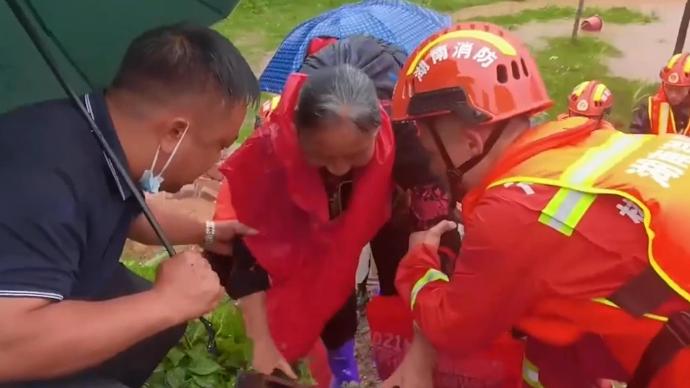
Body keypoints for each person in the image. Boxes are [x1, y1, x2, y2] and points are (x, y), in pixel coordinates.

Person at [387, 22, 690, 388]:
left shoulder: (514, 209)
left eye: (427, 136)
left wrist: (418, 264)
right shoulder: (586, 142)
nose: (421, 144)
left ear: (470, 142)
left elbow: (456, 327)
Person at [0, 24, 259, 387]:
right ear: (174, 133)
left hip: (60, 287)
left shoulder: (102, 132)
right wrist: (166, 302)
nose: (222, 160)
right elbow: (7, 348)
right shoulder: (43, 179)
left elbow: (131, 210)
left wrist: (209, 232)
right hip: (14, 338)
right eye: (219, 144)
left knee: (146, 319)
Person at [212, 36, 461, 387]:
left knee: (400, 269)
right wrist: (262, 342)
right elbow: (243, 241)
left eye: (355, 155)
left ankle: (398, 361)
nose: (341, 169)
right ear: (297, 136)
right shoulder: (273, 144)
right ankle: (342, 369)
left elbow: (440, 238)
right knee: (322, 270)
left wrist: (421, 353)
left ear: (378, 132)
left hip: (392, 201)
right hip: (308, 205)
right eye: (324, 157)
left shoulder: (409, 138)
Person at [630, 52, 690, 134]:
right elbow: (635, 138)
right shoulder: (648, 108)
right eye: (669, 88)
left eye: (679, 90)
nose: (673, 95)